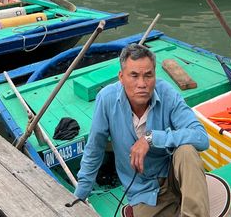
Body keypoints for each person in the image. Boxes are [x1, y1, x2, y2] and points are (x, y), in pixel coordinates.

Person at [73, 43, 211, 216]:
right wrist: (80, 196)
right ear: (121, 77)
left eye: (148, 75)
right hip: (143, 191)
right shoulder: (106, 99)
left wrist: (151, 138)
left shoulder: (167, 92)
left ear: (155, 75)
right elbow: (94, 148)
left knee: (186, 150)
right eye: (134, 76)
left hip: (175, 178)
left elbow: (201, 137)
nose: (142, 84)